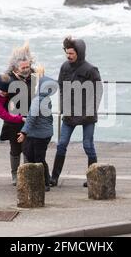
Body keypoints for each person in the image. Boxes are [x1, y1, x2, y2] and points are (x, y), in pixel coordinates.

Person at [50, 36, 103, 187]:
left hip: (87, 114)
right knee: (61, 144)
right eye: (67, 53)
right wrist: (63, 106)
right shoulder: (64, 67)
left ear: (79, 53)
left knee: (88, 145)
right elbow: (61, 87)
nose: (68, 56)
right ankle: (54, 178)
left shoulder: (91, 70)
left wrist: (92, 109)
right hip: (70, 113)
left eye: (71, 53)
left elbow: (99, 91)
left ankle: (93, 178)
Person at [0, 42, 36, 186]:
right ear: (15, 68)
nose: (27, 70)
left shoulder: (33, 75)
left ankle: (26, 173)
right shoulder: (7, 78)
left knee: (28, 147)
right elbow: (0, 99)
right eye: (23, 68)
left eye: (28, 66)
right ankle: (15, 174)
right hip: (13, 119)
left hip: (29, 117)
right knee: (15, 148)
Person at [17, 67, 57, 192]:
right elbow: (43, 118)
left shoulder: (37, 100)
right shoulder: (47, 99)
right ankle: (45, 180)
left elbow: (32, 118)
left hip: (38, 135)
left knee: (35, 157)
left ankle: (44, 183)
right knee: (39, 157)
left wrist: (23, 132)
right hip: (46, 133)